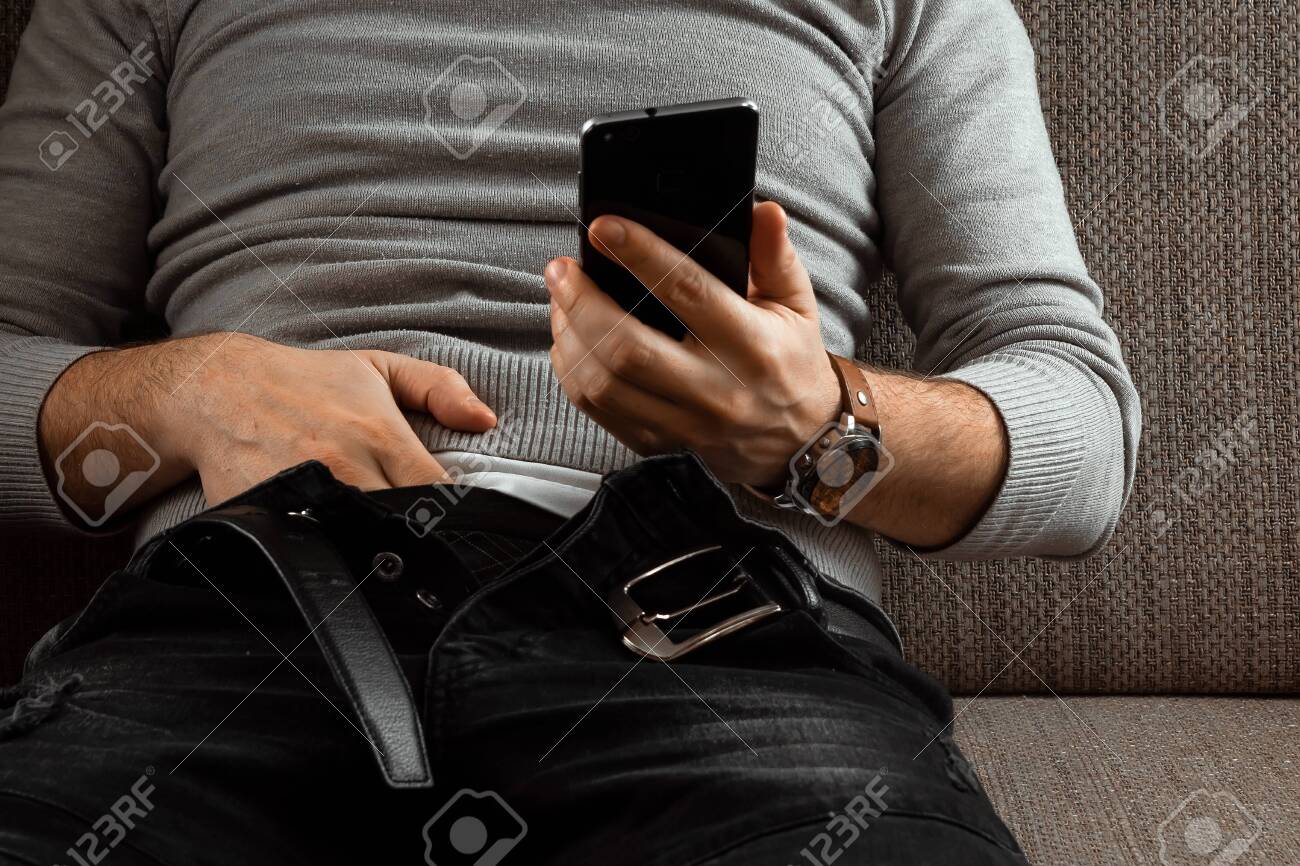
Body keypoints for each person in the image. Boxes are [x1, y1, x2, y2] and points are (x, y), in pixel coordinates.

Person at [0, 0, 1139, 862]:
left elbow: (1082, 424)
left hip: (704, 617)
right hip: (254, 593)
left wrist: (824, 423)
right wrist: (190, 391)